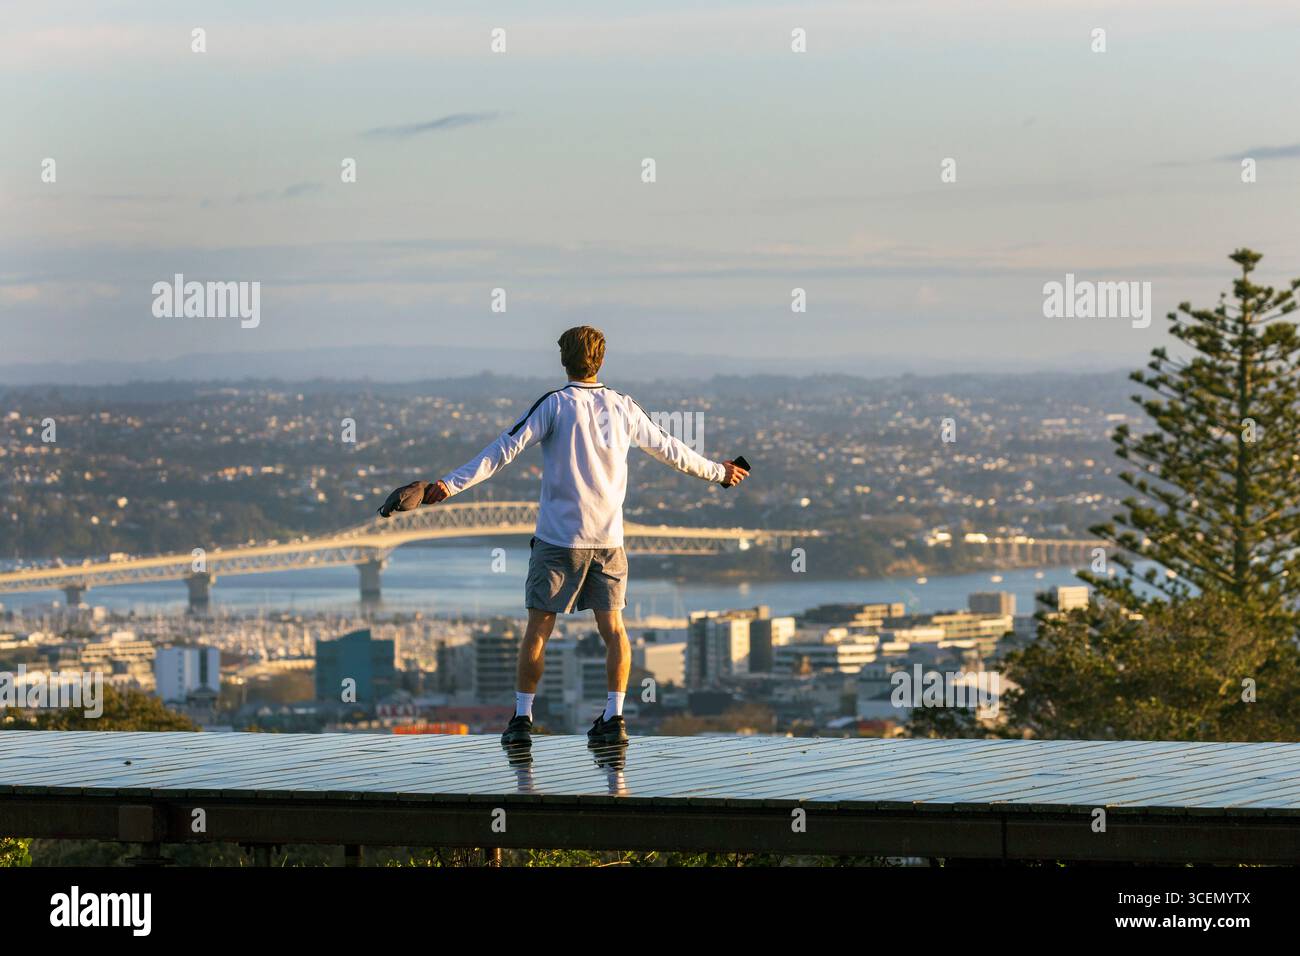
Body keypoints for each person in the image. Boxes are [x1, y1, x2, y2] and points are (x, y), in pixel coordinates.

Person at [379, 326, 748, 747]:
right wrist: (720, 473)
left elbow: (503, 450)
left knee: (538, 629)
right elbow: (672, 450)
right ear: (602, 360)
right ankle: (614, 716)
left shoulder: (555, 404)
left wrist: (445, 487)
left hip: (558, 541)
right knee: (615, 631)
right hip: (608, 541)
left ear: (563, 360)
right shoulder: (624, 407)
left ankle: (522, 719)